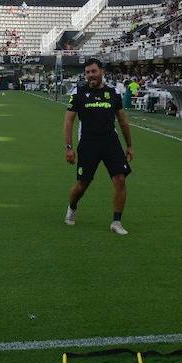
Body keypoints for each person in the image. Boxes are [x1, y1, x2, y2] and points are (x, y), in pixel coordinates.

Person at [64, 59, 134, 236]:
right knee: (82, 184)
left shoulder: (112, 93)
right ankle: (72, 207)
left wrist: (130, 145)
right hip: (88, 143)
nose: (90, 75)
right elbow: (69, 121)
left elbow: (123, 121)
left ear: (101, 71)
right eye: (87, 72)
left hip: (111, 141)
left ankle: (116, 222)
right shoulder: (78, 93)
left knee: (120, 179)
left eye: (93, 71)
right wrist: (69, 147)